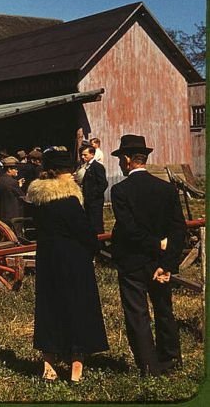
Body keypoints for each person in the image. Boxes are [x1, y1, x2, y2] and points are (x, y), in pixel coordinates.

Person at [26, 148, 108, 382]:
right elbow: (84, 231)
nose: (72, 175)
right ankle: (76, 369)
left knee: (49, 308)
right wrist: (94, 248)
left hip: (48, 259)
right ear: (60, 173)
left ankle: (49, 366)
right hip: (74, 261)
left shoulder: (39, 200)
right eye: (68, 171)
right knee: (77, 309)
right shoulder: (70, 200)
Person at [110, 134, 185, 376]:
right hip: (159, 264)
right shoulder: (166, 189)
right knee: (164, 309)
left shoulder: (120, 191)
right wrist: (168, 261)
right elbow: (178, 228)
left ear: (128, 159)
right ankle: (172, 358)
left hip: (132, 262)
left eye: (122, 159)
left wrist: (154, 244)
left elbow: (129, 229)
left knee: (137, 314)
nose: (121, 164)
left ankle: (149, 365)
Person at [80, 145, 108, 234]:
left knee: (96, 222)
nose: (83, 157)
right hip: (88, 200)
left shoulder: (97, 166)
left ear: (92, 154)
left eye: (85, 155)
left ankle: (100, 242)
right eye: (82, 155)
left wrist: (93, 195)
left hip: (95, 201)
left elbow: (103, 183)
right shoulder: (86, 166)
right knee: (89, 222)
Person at [0, 156, 25, 227]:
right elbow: (21, 196)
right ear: (9, 170)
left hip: (2, 214)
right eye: (15, 169)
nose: (17, 171)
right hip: (13, 214)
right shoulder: (13, 182)